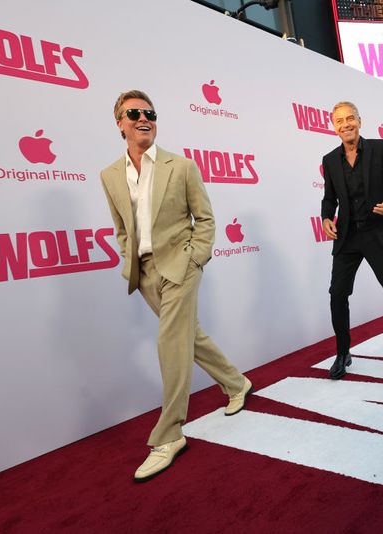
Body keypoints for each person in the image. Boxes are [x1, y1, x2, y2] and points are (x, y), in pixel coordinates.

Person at [100, 90, 253, 482]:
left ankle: (169, 436)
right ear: (120, 123)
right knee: (189, 335)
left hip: (181, 265)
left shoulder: (180, 166)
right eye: (133, 113)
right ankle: (237, 382)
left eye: (149, 112)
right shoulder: (110, 176)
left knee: (170, 342)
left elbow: (205, 218)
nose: (142, 118)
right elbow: (122, 228)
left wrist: (195, 257)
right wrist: (128, 258)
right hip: (145, 272)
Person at [321, 101, 383, 379]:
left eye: (350, 118)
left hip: (379, 234)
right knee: (337, 295)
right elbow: (329, 198)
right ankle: (343, 353)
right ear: (334, 127)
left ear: (359, 120)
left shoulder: (381, 148)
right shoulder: (330, 160)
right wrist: (326, 217)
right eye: (339, 121)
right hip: (348, 238)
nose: (345, 124)